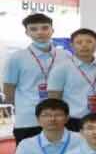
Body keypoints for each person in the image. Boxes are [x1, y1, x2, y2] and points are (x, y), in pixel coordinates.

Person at [4, 13, 71, 144]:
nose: (40, 32)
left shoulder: (65, 56)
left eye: (45, 28)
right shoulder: (17, 57)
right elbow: (8, 91)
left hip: (59, 117)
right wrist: (23, 106)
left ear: (52, 30)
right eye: (34, 29)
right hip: (28, 119)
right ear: (27, 32)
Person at [47, 29, 96, 133]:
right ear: (72, 45)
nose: (84, 45)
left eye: (89, 41)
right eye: (79, 42)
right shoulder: (61, 68)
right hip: (72, 121)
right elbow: (54, 99)